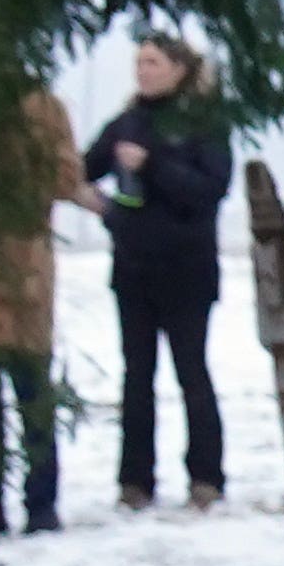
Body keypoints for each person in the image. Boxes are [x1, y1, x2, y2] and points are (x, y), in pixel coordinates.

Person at [85, 36, 233, 510]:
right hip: (132, 269)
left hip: (187, 271)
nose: (142, 71)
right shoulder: (128, 121)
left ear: (178, 70)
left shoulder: (202, 123)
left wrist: (152, 165)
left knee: (191, 372)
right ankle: (135, 482)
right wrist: (104, 208)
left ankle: (206, 477)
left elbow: (209, 190)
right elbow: (87, 167)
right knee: (136, 377)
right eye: (138, 63)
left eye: (152, 62)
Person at [0, 84, 82, 535]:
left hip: (25, 273)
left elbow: (67, 177)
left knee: (31, 394)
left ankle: (40, 503)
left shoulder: (43, 106)